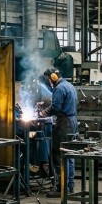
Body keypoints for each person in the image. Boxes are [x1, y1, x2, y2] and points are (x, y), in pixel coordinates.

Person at [41, 68, 78, 197]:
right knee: (69, 154)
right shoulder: (69, 85)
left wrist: (44, 113)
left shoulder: (59, 88)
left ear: (53, 77)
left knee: (59, 155)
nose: (49, 82)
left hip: (64, 124)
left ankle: (61, 188)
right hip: (72, 121)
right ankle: (70, 186)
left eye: (48, 80)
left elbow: (56, 107)